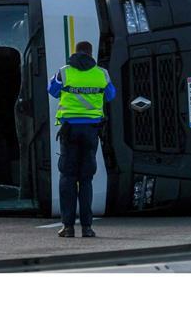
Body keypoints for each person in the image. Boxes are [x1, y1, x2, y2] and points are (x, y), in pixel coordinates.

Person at [48, 40, 116, 238]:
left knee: (67, 177)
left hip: (69, 131)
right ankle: (87, 227)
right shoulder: (101, 73)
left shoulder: (65, 72)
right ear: (91, 53)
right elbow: (111, 95)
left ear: (75, 53)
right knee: (86, 179)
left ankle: (67, 227)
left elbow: (52, 91)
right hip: (91, 131)